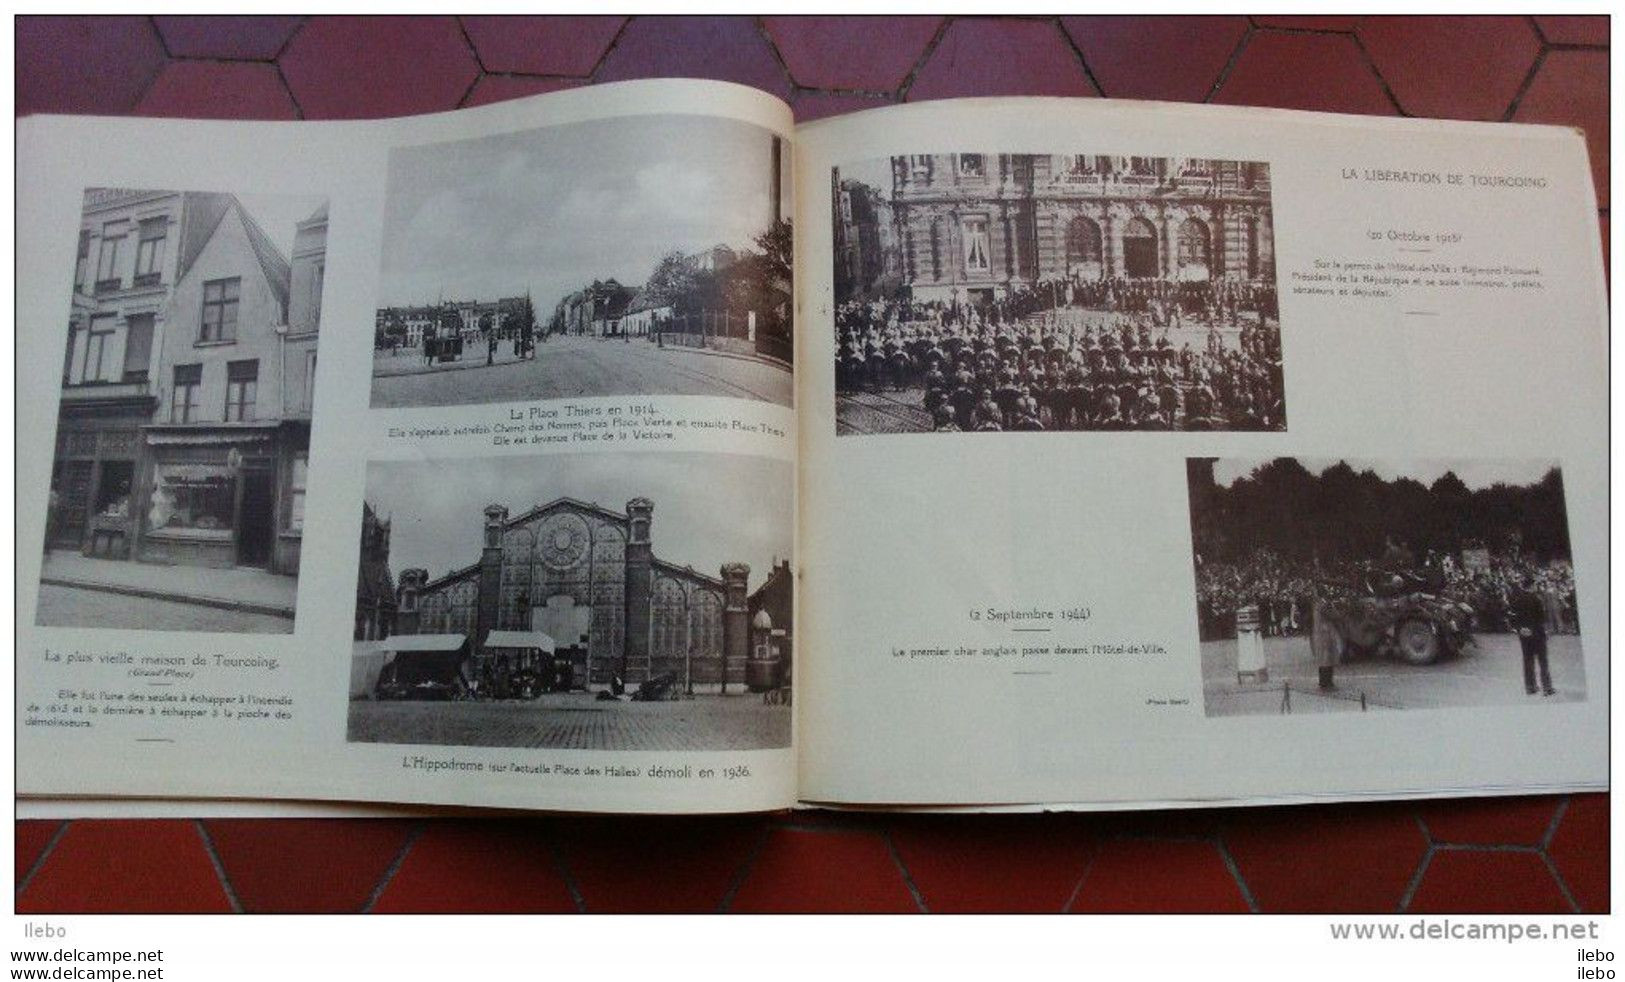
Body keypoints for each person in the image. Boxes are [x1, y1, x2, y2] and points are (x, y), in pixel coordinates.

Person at [1507, 576, 1554, 696]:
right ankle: (1547, 688)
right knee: (1543, 661)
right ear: (1532, 586)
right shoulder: (1537, 599)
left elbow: (1512, 616)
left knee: (1528, 660)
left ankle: (1530, 687)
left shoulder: (1517, 599)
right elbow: (1541, 617)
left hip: (1524, 635)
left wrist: (1519, 629)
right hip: (1537, 633)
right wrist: (1545, 631)